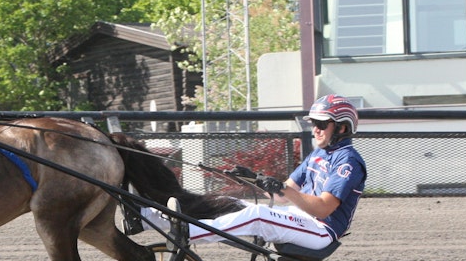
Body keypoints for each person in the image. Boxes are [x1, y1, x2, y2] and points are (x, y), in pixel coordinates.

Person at [145, 94, 367, 251]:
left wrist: (284, 189)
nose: (315, 129)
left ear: (342, 127)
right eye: (313, 123)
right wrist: (255, 179)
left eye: (321, 123)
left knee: (258, 216)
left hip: (321, 230)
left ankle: (189, 233)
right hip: (301, 218)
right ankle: (148, 218)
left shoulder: (348, 161)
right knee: (228, 202)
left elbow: (323, 208)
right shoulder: (318, 155)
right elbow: (281, 196)